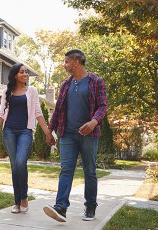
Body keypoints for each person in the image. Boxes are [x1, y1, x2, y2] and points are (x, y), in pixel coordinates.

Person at [43, 49, 107, 222]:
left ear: (76, 62)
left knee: (90, 171)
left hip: (89, 134)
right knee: (66, 170)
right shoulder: (66, 84)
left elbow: (102, 106)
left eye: (66, 62)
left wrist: (94, 122)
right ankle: (61, 207)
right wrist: (50, 130)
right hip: (67, 134)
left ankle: (90, 206)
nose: (64, 65)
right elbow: (58, 109)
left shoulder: (96, 81)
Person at [0, 63, 55, 214]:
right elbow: (1, 114)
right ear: (15, 75)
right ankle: (16, 202)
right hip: (9, 132)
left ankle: (24, 197)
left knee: (21, 162)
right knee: (15, 166)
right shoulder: (7, 92)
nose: (25, 74)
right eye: (22, 72)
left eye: (26, 72)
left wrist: (47, 132)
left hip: (25, 131)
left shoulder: (32, 91)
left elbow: (38, 113)